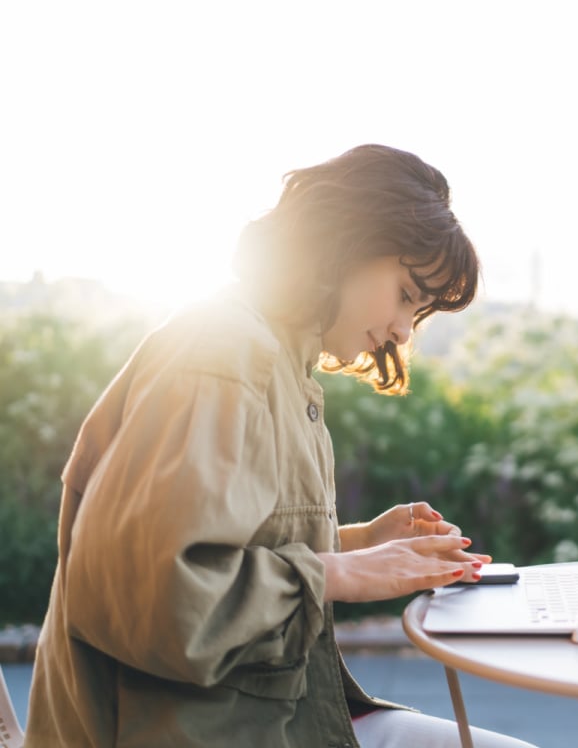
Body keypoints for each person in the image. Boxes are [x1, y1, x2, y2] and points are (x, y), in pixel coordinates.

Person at [25, 145, 537, 748]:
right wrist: (341, 572)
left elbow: (225, 549)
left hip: (258, 716)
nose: (403, 331)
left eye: (419, 314)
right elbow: (161, 598)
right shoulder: (222, 355)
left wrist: (361, 542)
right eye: (405, 294)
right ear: (345, 242)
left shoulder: (275, 359)